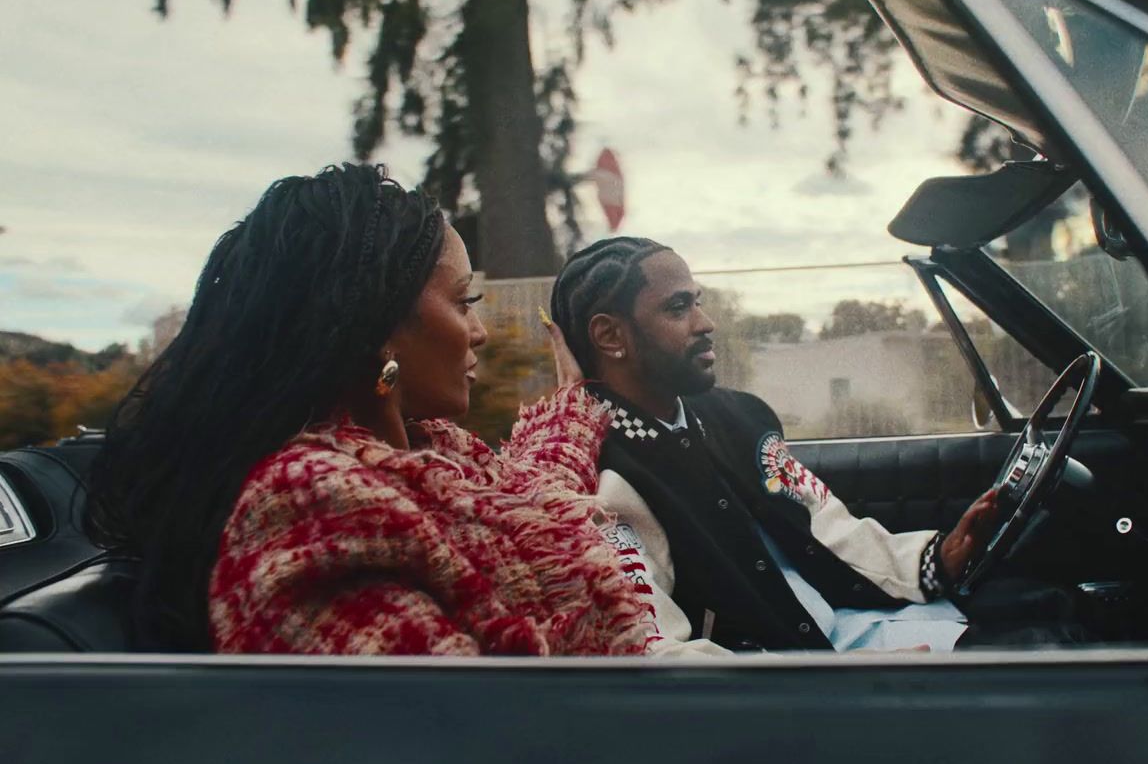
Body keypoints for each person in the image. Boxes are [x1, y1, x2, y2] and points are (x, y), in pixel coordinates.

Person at [88, 165, 652, 656]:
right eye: (462, 303)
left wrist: (570, 405)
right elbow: (470, 739)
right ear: (379, 330)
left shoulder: (433, 453)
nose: (479, 332)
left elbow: (523, 499)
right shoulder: (312, 513)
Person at [548, 236, 1072, 656]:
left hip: (857, 623)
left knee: (1054, 609)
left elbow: (825, 523)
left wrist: (935, 559)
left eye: (698, 302)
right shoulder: (599, 484)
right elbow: (657, 650)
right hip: (797, 688)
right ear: (610, 337)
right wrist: (836, 687)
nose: (705, 323)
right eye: (678, 307)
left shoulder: (740, 418)